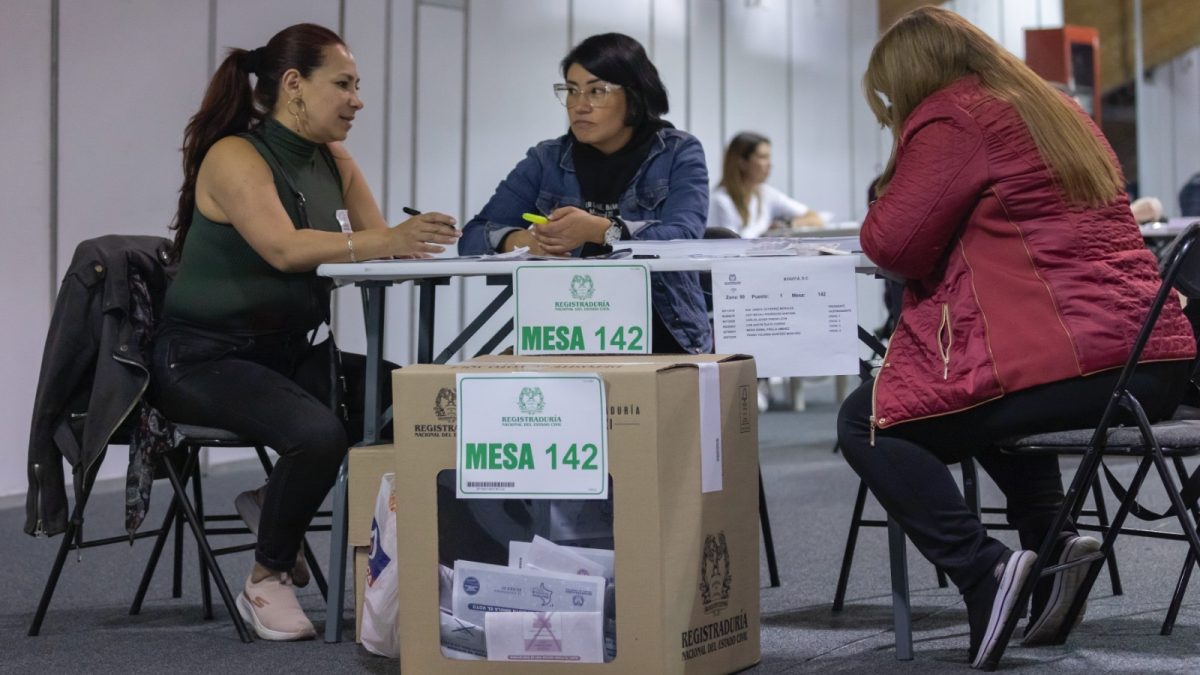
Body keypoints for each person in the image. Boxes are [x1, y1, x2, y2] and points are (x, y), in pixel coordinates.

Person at [836, 7, 1196, 668]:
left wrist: (889, 182)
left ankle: (986, 570)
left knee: (869, 421)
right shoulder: (1056, 110)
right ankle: (1052, 547)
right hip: (1152, 357)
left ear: (911, 77)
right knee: (975, 393)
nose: (890, 111)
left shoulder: (952, 119)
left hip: (1084, 359)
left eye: (888, 97)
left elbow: (893, 243)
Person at [152, 23, 460, 641]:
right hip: (203, 360)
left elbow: (378, 244)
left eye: (358, 86)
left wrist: (415, 241)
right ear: (294, 84)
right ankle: (265, 579)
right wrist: (388, 240)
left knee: (410, 402)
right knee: (318, 435)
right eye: (343, 84)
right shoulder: (234, 155)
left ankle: (281, 505)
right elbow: (284, 248)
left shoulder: (332, 156)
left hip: (287, 354)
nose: (357, 100)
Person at [459, 32, 711, 354]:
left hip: (663, 334)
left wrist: (602, 231)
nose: (579, 105)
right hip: (567, 333)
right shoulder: (547, 159)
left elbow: (684, 239)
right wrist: (522, 243)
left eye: (597, 91)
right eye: (571, 90)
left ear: (634, 96)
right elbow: (472, 237)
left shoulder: (677, 152)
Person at [707, 132, 823, 237]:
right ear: (742, 163)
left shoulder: (766, 193)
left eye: (769, 157)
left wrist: (787, 225)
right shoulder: (720, 201)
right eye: (763, 157)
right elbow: (728, 246)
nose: (770, 164)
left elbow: (815, 218)